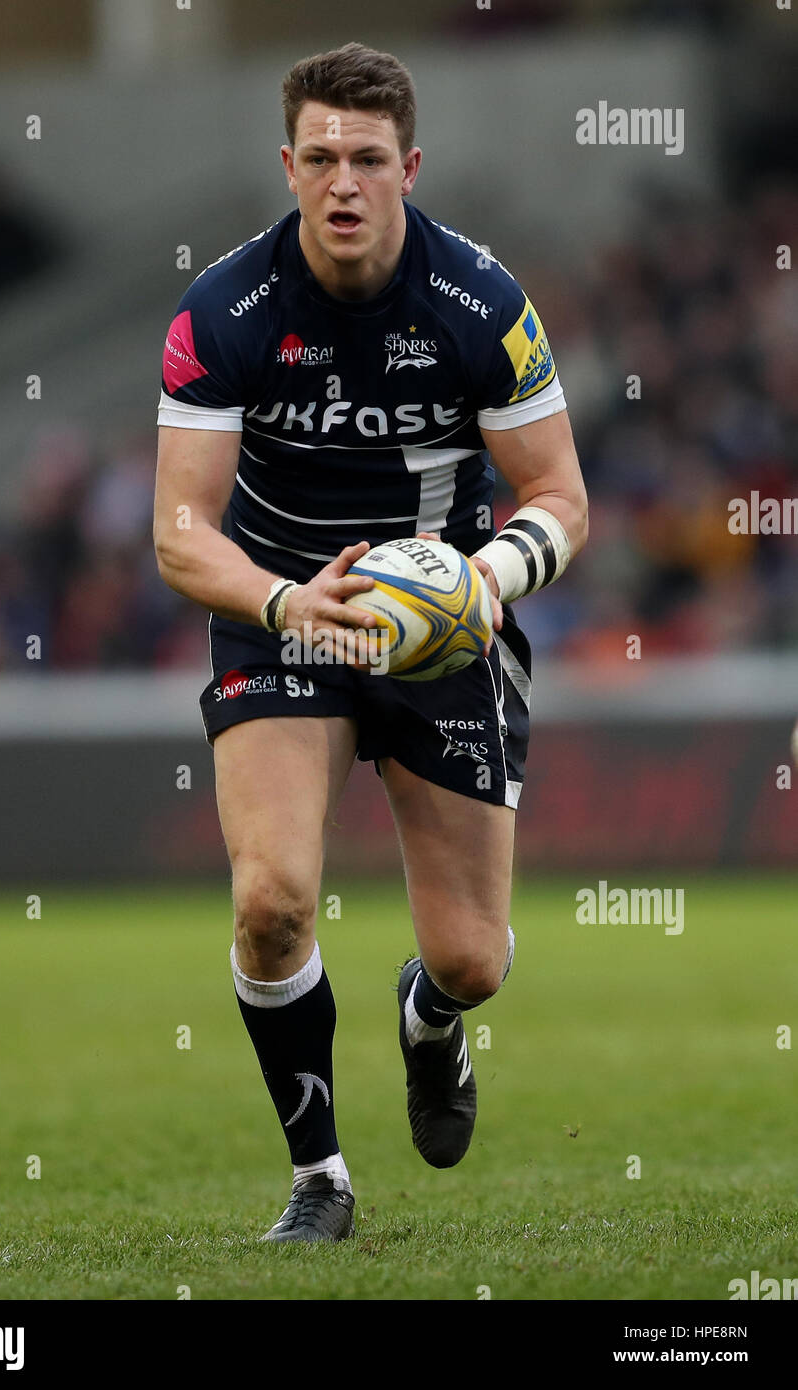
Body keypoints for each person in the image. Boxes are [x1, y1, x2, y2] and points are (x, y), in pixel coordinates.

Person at [153, 42, 588, 1242]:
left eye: (369, 159)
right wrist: (289, 603)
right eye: (321, 158)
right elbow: (180, 532)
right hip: (284, 619)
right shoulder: (221, 313)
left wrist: (479, 578)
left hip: (442, 636)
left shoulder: (481, 302)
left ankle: (428, 1017)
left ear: (410, 167)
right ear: (287, 165)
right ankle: (319, 1176)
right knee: (273, 903)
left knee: (475, 960)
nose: (343, 181)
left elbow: (560, 495)